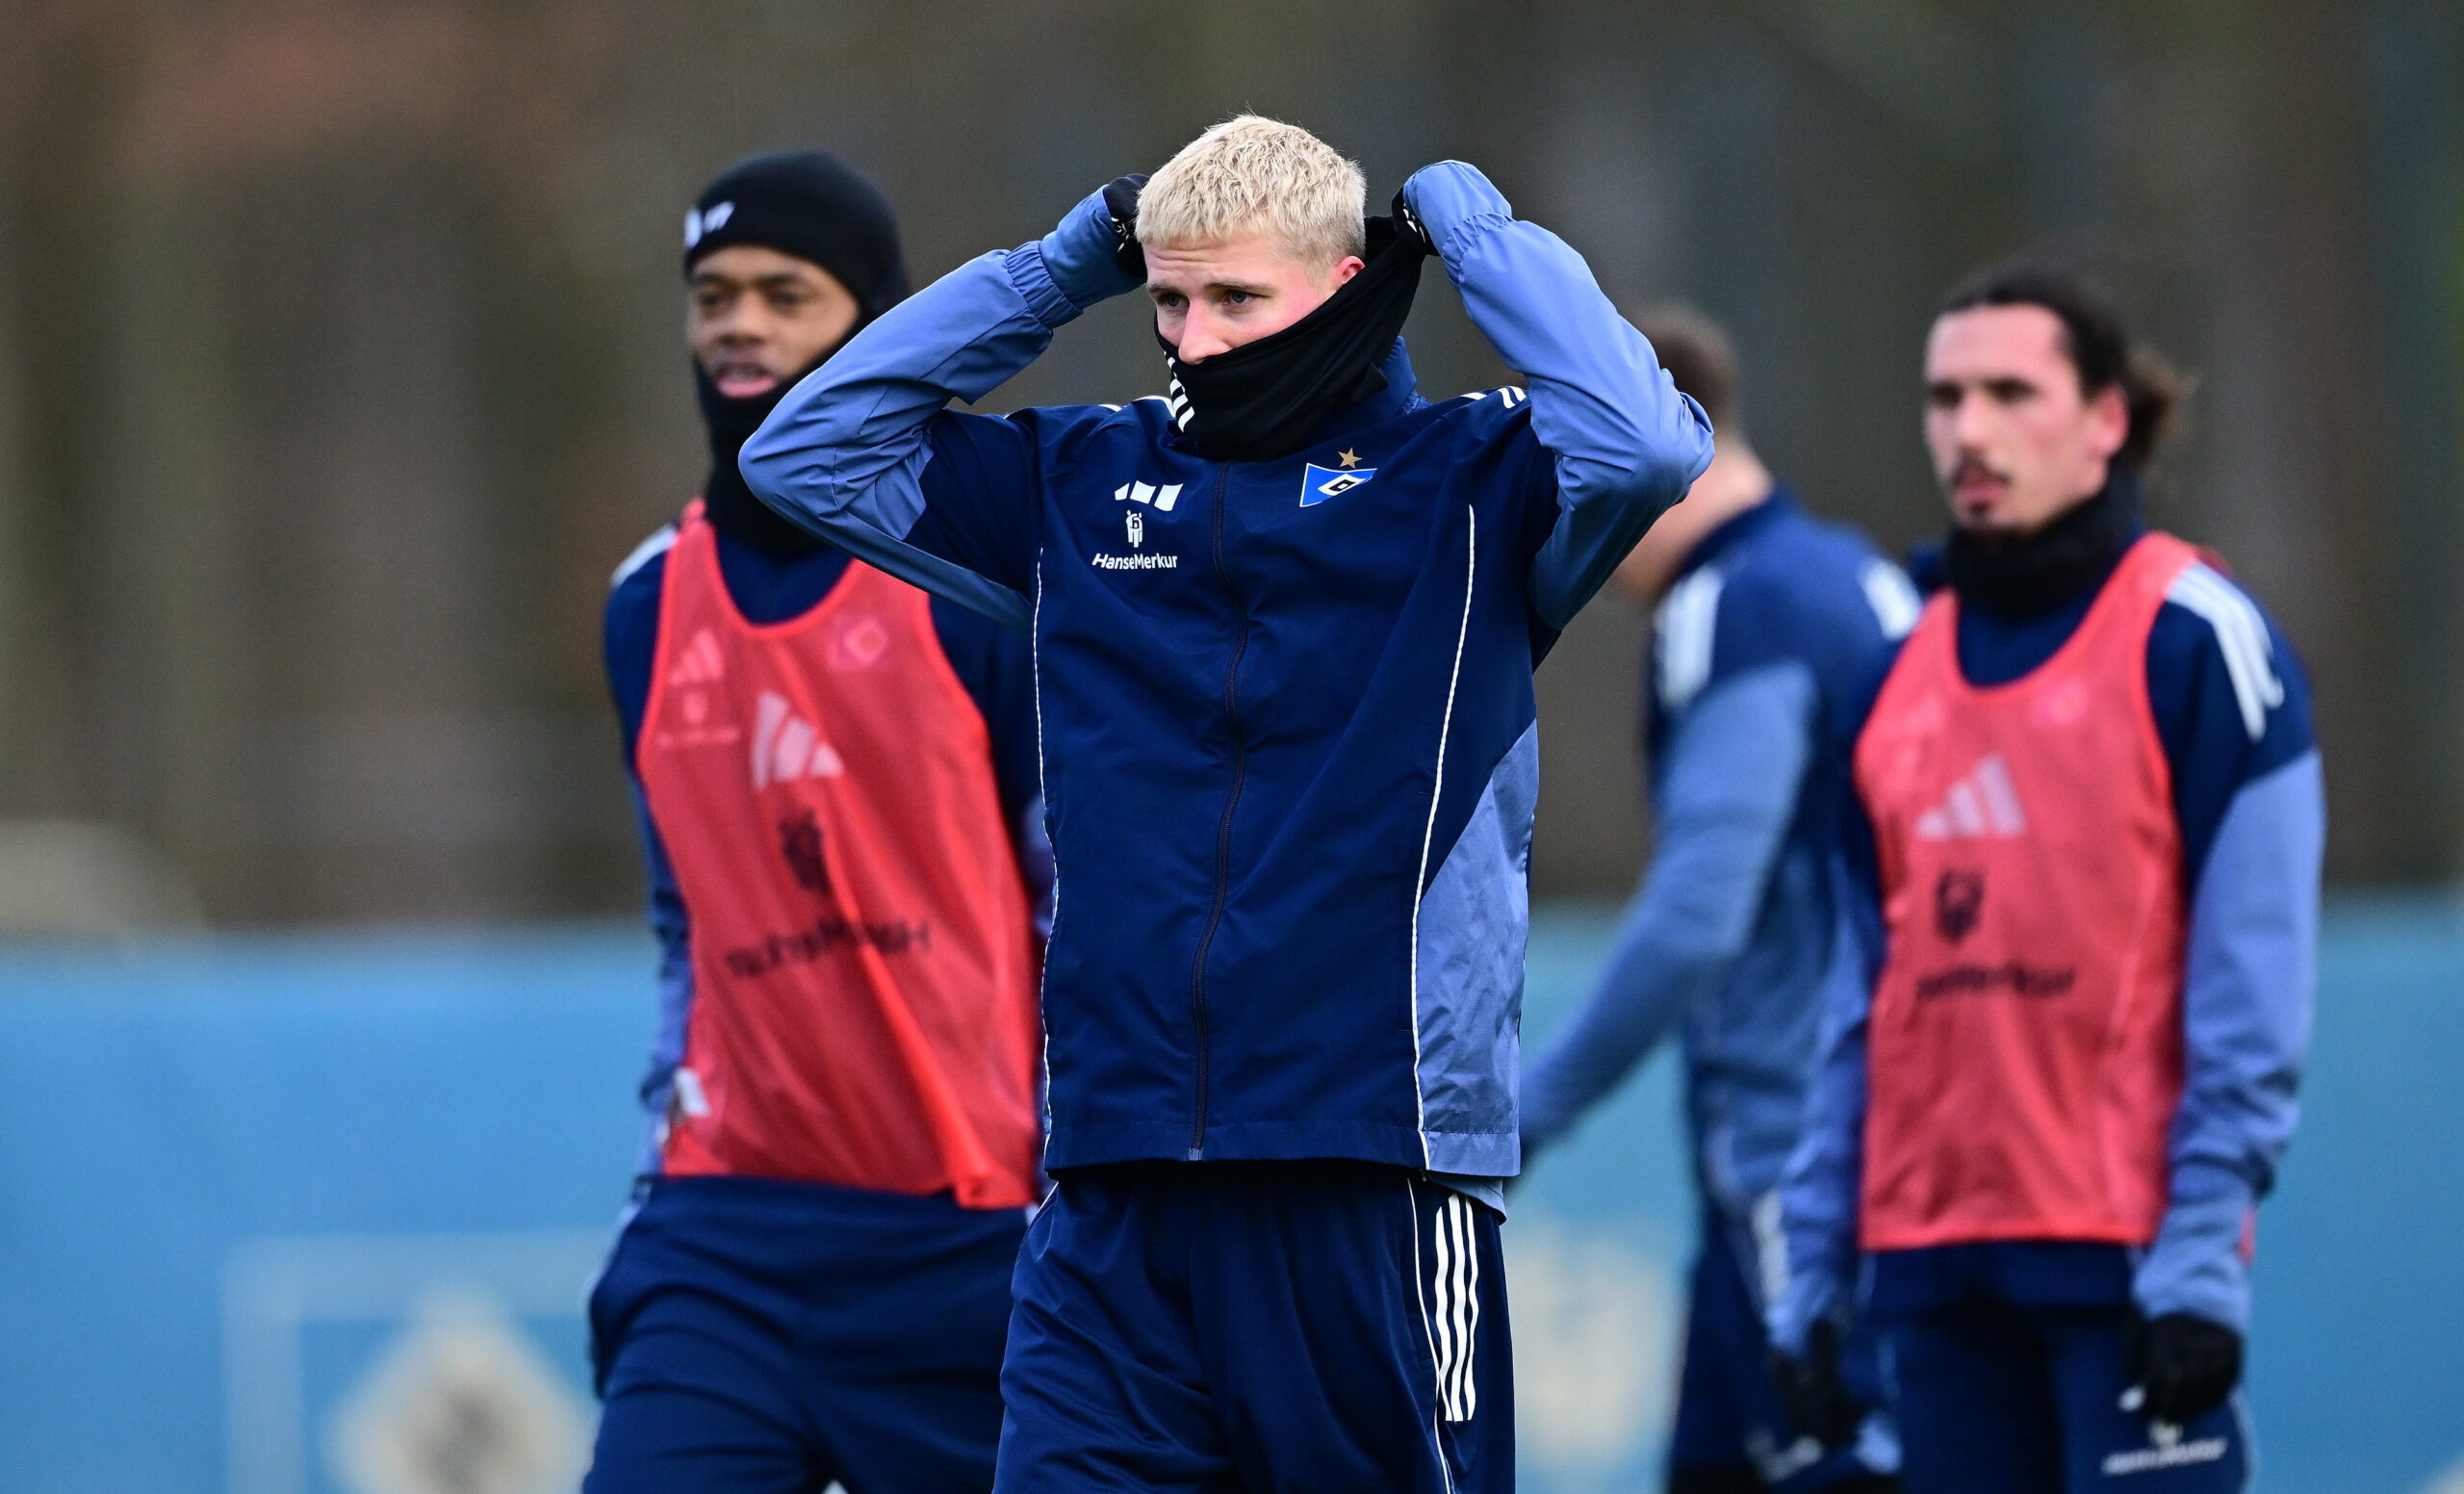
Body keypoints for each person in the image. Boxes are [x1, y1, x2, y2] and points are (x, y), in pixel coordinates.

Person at [742, 116, 1712, 1493]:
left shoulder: (1470, 486)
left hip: (1367, 1168)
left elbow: (1645, 449)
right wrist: (1062, 265)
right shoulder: (1073, 481)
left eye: (1237, 298)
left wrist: (1471, 228)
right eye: (1171, 301)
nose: (1194, 339)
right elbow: (806, 456)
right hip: (1115, 1184)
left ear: (1345, 285)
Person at [1768, 263, 2323, 1492]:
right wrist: (1813, 1273)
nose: (1969, 430)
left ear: (2106, 418)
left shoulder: (2197, 639)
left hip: (2125, 1272)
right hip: (1935, 1278)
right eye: (1944, 396)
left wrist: (2194, 1268)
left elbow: (2254, 986)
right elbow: (1859, 1010)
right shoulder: (1886, 683)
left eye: (2010, 391)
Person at [584, 149, 1050, 1494]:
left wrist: (1086, 1194)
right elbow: (686, 922)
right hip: (725, 1231)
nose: (740, 321)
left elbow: (1073, 902)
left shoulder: (975, 584)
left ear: (877, 327)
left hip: (971, 1237)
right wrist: (651, 1175)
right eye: (713, 293)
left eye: (786, 293)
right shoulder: (647, 607)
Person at [1519, 307, 1911, 1493]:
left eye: (1563, 469)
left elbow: (1701, 909)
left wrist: (1528, 1108)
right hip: (1881, 1139)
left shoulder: (1734, 609)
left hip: (1800, 1161)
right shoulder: (1853, 574)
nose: (1553, 515)